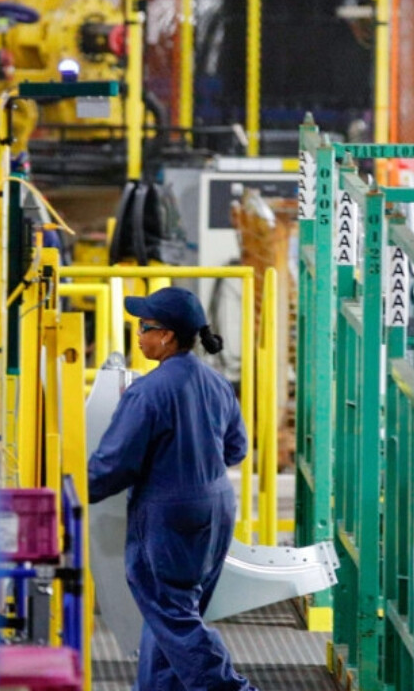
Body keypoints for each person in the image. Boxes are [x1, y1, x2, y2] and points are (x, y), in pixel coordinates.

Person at [87, 287, 255, 691]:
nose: (139, 336)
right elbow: (237, 449)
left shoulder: (148, 392)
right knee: (172, 614)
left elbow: (113, 465)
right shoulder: (215, 383)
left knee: (172, 616)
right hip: (216, 508)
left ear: (167, 336)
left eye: (144, 328)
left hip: (168, 514)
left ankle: (231, 689)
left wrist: (65, 491)